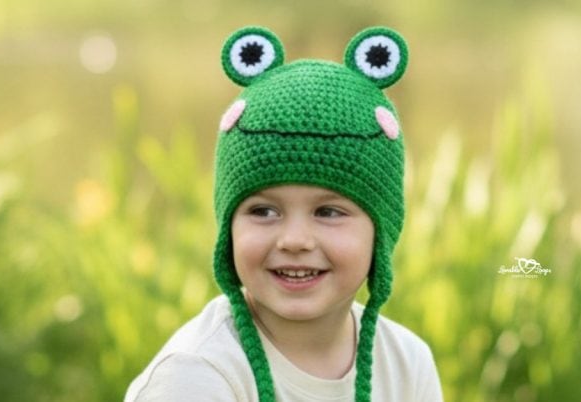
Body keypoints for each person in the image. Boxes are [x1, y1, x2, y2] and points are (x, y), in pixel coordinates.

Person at [125, 26, 443, 402]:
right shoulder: (193, 377)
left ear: (382, 229)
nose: (294, 240)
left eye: (328, 211)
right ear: (229, 227)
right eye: (263, 210)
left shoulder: (408, 363)